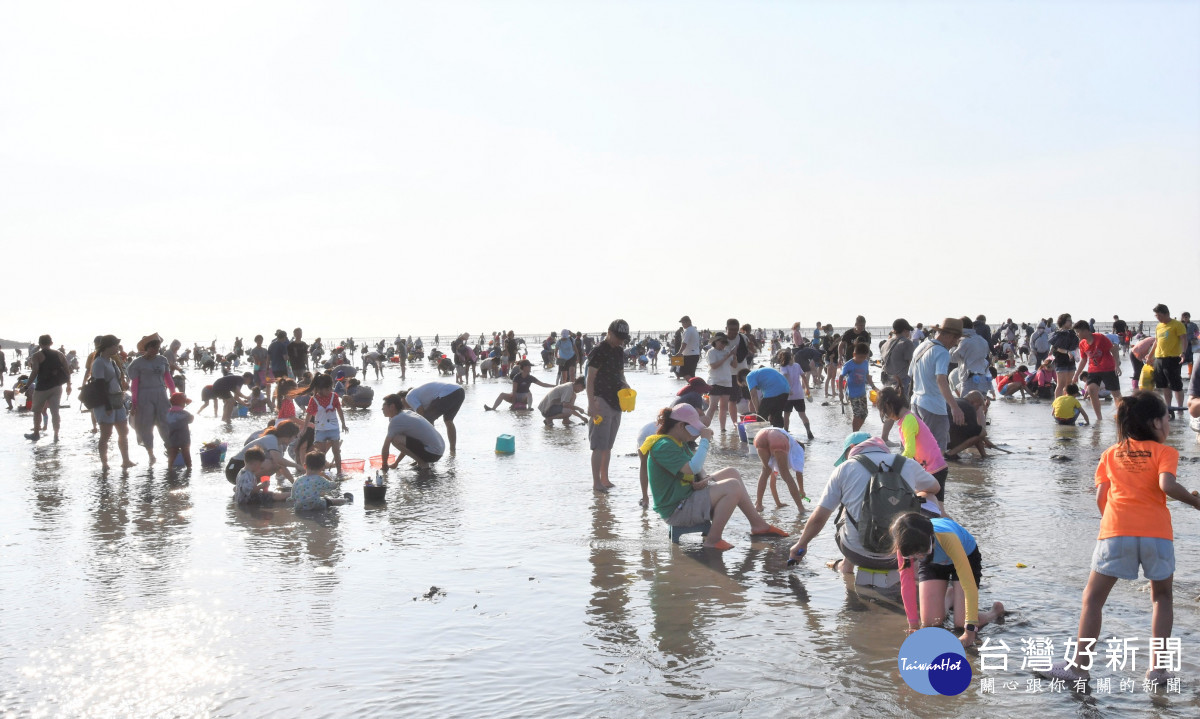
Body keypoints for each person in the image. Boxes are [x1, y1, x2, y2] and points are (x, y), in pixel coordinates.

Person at [1046, 392, 1200, 684]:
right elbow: (1166, 485)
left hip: (1116, 531)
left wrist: (1114, 521)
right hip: (1157, 535)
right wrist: (1194, 502)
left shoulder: (1111, 453)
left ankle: (1079, 666)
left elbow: (1102, 498)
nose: (1169, 422)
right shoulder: (1164, 453)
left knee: (1093, 600)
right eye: (1167, 417)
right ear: (1155, 422)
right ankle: (1157, 670)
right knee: (1162, 598)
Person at [786, 432, 941, 574]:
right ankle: (929, 555)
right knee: (930, 498)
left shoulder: (844, 468)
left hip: (857, 555)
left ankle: (845, 568)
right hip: (902, 554)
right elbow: (935, 487)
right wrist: (910, 497)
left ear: (853, 449)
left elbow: (820, 517)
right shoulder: (908, 464)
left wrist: (801, 544)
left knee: (847, 508)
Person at [642, 405, 788, 550]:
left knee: (732, 472)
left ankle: (758, 525)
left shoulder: (678, 442)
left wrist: (705, 480)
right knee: (733, 486)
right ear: (681, 426)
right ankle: (713, 539)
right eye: (694, 430)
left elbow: (698, 472)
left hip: (686, 497)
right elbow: (694, 467)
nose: (696, 434)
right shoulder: (664, 445)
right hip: (676, 510)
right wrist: (704, 441)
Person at [890, 512, 1006, 648]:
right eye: (914, 555)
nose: (918, 556)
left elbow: (968, 585)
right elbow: (906, 583)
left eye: (922, 552)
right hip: (933, 562)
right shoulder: (906, 543)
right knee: (930, 624)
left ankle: (994, 612)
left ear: (931, 537)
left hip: (966, 556)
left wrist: (969, 631)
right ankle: (950, 596)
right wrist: (913, 624)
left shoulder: (947, 537)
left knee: (961, 622)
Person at [876, 386, 948, 502]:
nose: (888, 417)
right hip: (934, 467)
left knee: (936, 508)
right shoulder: (907, 418)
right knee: (931, 506)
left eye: (886, 412)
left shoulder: (908, 420)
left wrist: (892, 464)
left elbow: (910, 451)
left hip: (935, 469)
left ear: (889, 406)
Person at [586, 320, 632, 492]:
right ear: (609, 333)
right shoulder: (599, 351)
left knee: (608, 445)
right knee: (599, 445)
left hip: (616, 401)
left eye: (623, 338)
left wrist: (625, 385)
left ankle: (605, 479)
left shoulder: (619, 351)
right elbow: (590, 379)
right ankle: (596, 482)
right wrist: (591, 403)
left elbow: (620, 374)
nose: (621, 341)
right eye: (618, 337)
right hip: (601, 400)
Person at [909, 318, 965, 454]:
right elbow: (941, 380)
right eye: (955, 339)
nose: (955, 343)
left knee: (919, 448)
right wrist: (955, 407)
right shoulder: (942, 352)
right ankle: (934, 476)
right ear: (948, 335)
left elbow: (910, 373)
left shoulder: (922, 346)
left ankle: (919, 475)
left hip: (916, 403)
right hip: (933, 407)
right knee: (936, 451)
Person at [127, 333, 176, 464]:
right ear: (147, 348)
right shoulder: (137, 363)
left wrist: (173, 393)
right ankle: (151, 454)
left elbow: (168, 378)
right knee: (146, 425)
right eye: (153, 348)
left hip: (160, 393)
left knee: (165, 423)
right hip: (144, 395)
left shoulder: (162, 360)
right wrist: (134, 402)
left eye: (158, 348)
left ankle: (171, 449)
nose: (156, 350)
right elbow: (135, 384)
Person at [90, 335, 135, 470]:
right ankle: (104, 463)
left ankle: (126, 460)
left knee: (123, 431)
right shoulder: (99, 362)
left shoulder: (112, 361)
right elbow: (99, 385)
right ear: (107, 346)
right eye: (115, 345)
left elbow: (116, 381)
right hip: (105, 401)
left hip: (117, 399)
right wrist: (107, 406)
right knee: (106, 434)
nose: (117, 348)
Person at [24, 334, 72, 442]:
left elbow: (35, 371)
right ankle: (56, 435)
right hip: (57, 387)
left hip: (42, 387)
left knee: (37, 411)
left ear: (40, 344)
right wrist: (69, 385)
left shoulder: (37, 355)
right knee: (55, 411)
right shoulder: (60, 354)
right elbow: (67, 370)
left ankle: (36, 433)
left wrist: (26, 386)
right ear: (51, 343)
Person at [225, 420, 302, 485]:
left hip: (245, 469)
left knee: (275, 465)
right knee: (272, 464)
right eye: (295, 437)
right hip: (235, 468)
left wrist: (294, 484)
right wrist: (297, 466)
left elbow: (281, 466)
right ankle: (246, 485)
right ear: (288, 435)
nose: (294, 439)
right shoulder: (271, 439)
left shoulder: (279, 445)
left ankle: (251, 487)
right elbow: (278, 460)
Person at [1073, 320, 1122, 422]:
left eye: (1078, 332)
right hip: (1093, 370)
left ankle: (1122, 414)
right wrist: (1076, 375)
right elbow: (1083, 360)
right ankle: (1099, 418)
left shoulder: (1100, 338)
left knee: (1116, 394)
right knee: (1091, 390)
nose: (1077, 334)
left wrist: (1117, 365)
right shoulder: (1082, 343)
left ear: (1086, 331)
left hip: (1108, 368)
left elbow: (1114, 349)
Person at [380, 393, 446, 469]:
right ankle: (421, 462)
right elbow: (406, 445)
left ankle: (423, 464)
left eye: (383, 406)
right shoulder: (407, 413)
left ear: (392, 407)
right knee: (397, 439)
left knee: (394, 439)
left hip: (432, 453)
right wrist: (396, 463)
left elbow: (386, 445)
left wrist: (384, 465)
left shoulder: (396, 420)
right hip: (439, 451)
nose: (382, 409)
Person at [752, 427, 807, 512]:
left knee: (765, 470)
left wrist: (778, 503)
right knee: (785, 474)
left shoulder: (790, 444)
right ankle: (801, 508)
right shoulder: (799, 450)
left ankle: (758, 505)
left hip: (760, 435)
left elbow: (772, 483)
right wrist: (801, 490)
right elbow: (799, 473)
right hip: (777, 438)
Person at [400, 381, 465, 452]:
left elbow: (421, 415)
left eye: (402, 406)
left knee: (427, 420)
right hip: (459, 391)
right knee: (448, 421)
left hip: (447, 393)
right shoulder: (420, 397)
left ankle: (431, 449)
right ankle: (452, 450)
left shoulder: (409, 397)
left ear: (402, 399)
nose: (405, 408)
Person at [879, 319, 915, 443]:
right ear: (905, 330)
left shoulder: (886, 343)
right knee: (903, 411)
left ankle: (884, 437)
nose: (909, 333)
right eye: (909, 330)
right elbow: (912, 365)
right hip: (901, 381)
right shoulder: (907, 343)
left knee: (890, 410)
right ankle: (904, 441)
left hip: (887, 381)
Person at [1152, 303, 1187, 418]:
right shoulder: (1158, 326)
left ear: (1167, 313)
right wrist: (1150, 355)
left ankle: (1180, 409)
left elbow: (1184, 339)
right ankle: (1168, 407)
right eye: (1156, 316)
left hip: (1172, 358)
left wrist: (1183, 352)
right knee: (1164, 385)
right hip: (1159, 358)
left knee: (1176, 385)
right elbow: (1156, 342)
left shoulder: (1177, 325)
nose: (1158, 318)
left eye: (1159, 315)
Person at [839, 343, 878, 432]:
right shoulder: (848, 364)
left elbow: (867, 376)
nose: (862, 360)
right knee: (857, 414)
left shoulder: (865, 363)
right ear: (854, 354)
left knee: (864, 414)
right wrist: (841, 392)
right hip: (852, 393)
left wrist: (873, 387)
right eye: (860, 357)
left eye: (864, 357)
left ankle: (857, 431)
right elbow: (841, 377)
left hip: (862, 392)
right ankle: (855, 433)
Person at [486, 359, 553, 410]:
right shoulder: (516, 377)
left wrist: (555, 386)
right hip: (515, 395)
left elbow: (543, 384)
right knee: (502, 394)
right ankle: (493, 408)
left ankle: (529, 408)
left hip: (524, 397)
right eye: (529, 366)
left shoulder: (530, 378)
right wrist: (513, 404)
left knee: (529, 394)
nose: (530, 368)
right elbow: (514, 391)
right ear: (524, 367)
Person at [704, 332, 738, 431]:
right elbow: (714, 366)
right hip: (715, 381)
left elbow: (734, 366)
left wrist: (734, 356)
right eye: (721, 342)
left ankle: (723, 429)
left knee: (724, 407)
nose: (723, 344)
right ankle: (704, 428)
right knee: (713, 407)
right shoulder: (711, 352)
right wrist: (727, 357)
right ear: (715, 341)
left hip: (727, 381)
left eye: (725, 342)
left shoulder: (727, 351)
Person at [950, 317, 991, 398]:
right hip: (982, 377)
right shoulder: (982, 340)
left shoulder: (964, 341)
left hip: (970, 379)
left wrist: (954, 345)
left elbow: (953, 358)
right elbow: (986, 355)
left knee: (966, 406)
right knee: (979, 406)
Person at [777, 349, 813, 439]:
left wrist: (789, 389)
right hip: (799, 394)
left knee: (786, 414)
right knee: (802, 414)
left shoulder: (783, 367)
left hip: (788, 395)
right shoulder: (797, 365)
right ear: (791, 357)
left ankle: (786, 433)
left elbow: (786, 377)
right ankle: (809, 431)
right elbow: (804, 377)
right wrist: (807, 389)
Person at [946, 391, 990, 458]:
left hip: (941, 438)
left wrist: (986, 441)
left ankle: (949, 452)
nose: (978, 408)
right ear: (973, 402)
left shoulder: (956, 401)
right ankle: (951, 453)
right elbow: (978, 433)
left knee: (976, 431)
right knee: (982, 432)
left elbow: (975, 430)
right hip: (949, 439)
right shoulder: (970, 408)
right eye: (979, 405)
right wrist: (984, 453)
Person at [1050, 314, 1079, 398]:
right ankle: (1057, 404)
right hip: (1061, 360)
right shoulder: (1058, 333)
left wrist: (1076, 354)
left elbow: (1076, 345)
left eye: (1071, 320)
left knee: (1069, 384)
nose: (1071, 322)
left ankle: (1068, 402)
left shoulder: (1072, 333)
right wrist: (1067, 352)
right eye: (1069, 320)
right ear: (1063, 322)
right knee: (1061, 384)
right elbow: (1056, 347)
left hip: (1071, 360)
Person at [165, 392, 194, 469]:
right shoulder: (185, 413)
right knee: (186, 453)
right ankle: (189, 467)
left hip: (172, 437)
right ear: (182, 404)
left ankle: (170, 468)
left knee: (172, 453)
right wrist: (192, 417)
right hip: (184, 437)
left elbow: (165, 424)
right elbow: (190, 420)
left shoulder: (167, 414)